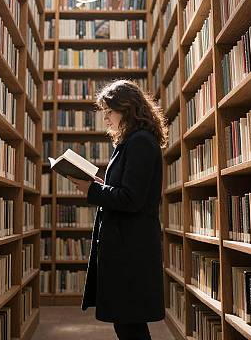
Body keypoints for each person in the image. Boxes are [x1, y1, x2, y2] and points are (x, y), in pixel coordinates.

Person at [67, 79, 168, 340]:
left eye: (109, 112)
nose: (107, 119)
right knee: (127, 324)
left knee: (129, 325)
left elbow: (131, 199)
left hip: (131, 250)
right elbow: (127, 190)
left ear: (127, 109)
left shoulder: (140, 142)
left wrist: (90, 190)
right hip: (126, 246)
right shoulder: (132, 142)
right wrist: (102, 184)